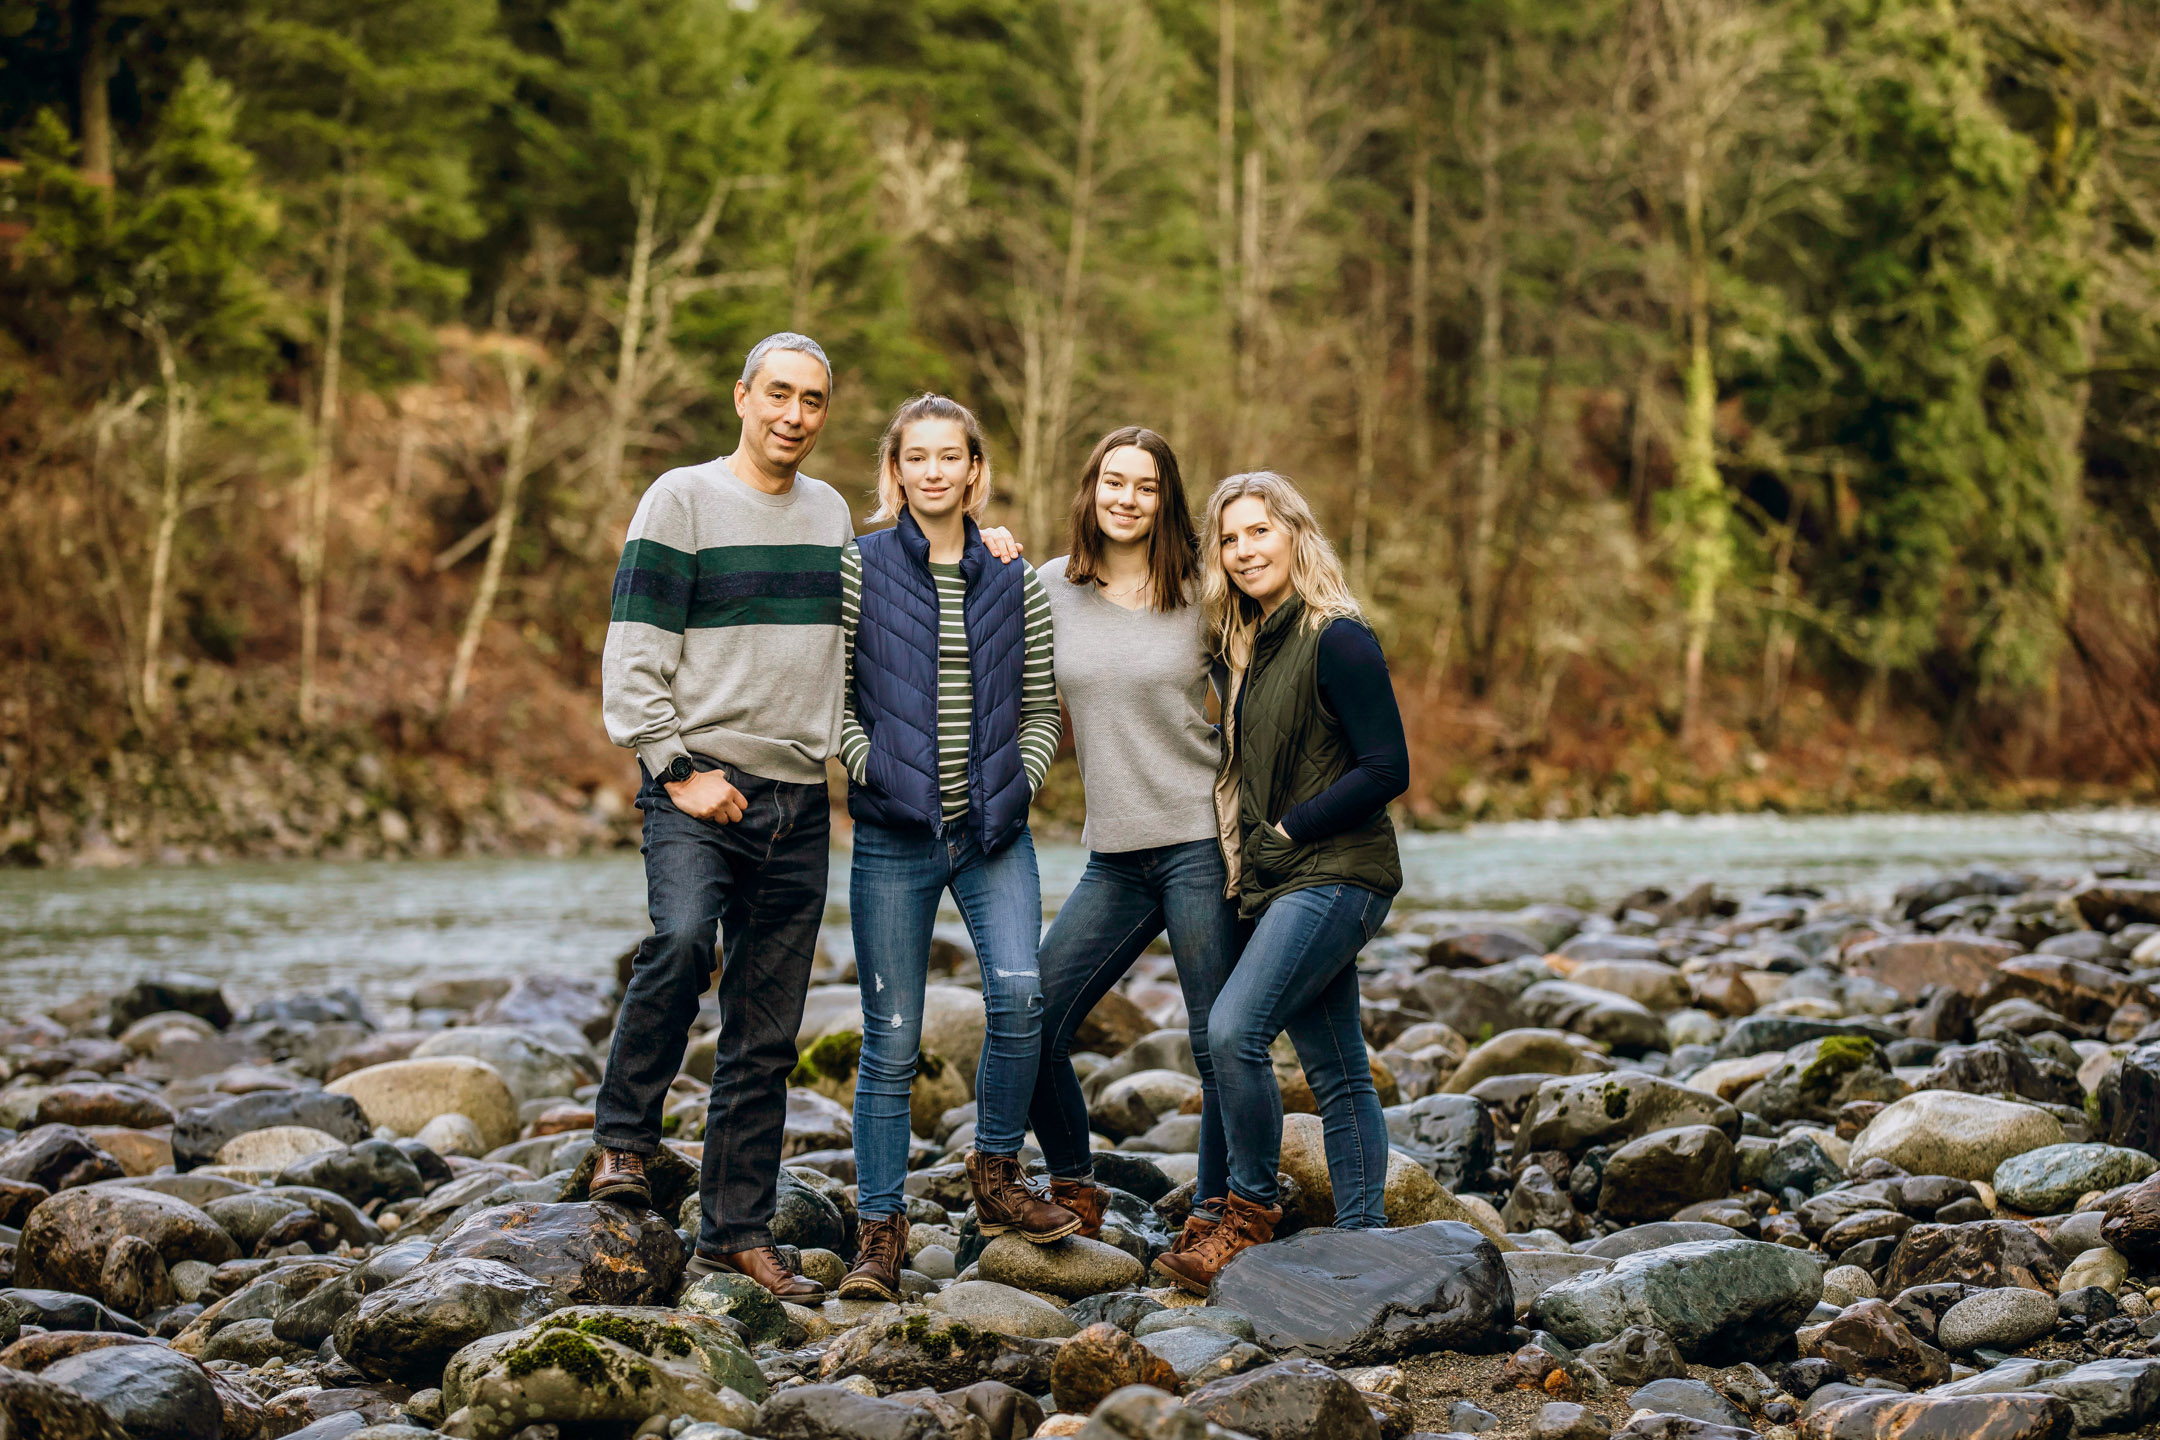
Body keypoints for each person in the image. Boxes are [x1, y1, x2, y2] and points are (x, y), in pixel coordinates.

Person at [591, 332, 846, 1298]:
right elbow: (633, 651)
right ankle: (622, 1140)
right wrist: (674, 766)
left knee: (766, 1031)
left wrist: (988, 538)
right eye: (777, 394)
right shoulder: (681, 498)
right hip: (697, 785)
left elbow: (914, 576)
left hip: (797, 799)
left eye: (812, 401)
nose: (793, 415)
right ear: (741, 397)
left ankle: (735, 1232)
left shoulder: (830, 517)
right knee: (684, 939)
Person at [835, 394, 1077, 1300]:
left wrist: (1024, 781)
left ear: (976, 472)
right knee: (891, 1040)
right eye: (917, 458)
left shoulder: (1020, 580)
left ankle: (998, 1176)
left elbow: (1045, 708)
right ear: (894, 471)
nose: (934, 472)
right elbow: (834, 700)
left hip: (993, 835)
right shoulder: (856, 569)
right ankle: (880, 1229)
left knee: (1019, 996)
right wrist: (871, 769)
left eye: (951, 458)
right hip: (893, 841)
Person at [1154, 470, 1410, 1295]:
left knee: (1233, 1032)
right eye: (1228, 540)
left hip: (1336, 875)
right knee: (1338, 1069)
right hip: (1282, 881)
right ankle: (1366, 1238)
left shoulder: (1338, 637)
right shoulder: (1249, 647)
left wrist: (1292, 828)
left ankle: (1247, 1212)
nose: (1243, 550)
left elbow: (1388, 767)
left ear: (1295, 533)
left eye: (1258, 531)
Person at [1025, 427, 1243, 1260]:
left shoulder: (1204, 589)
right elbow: (985, 659)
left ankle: (1222, 1210)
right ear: (1090, 491)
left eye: (1145, 487)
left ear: (1166, 500)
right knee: (1032, 1019)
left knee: (1218, 1039)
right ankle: (1073, 1185)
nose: (1126, 497)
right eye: (1112, 482)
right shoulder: (1049, 587)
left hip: (1197, 842)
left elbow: (1266, 695)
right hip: (1113, 855)